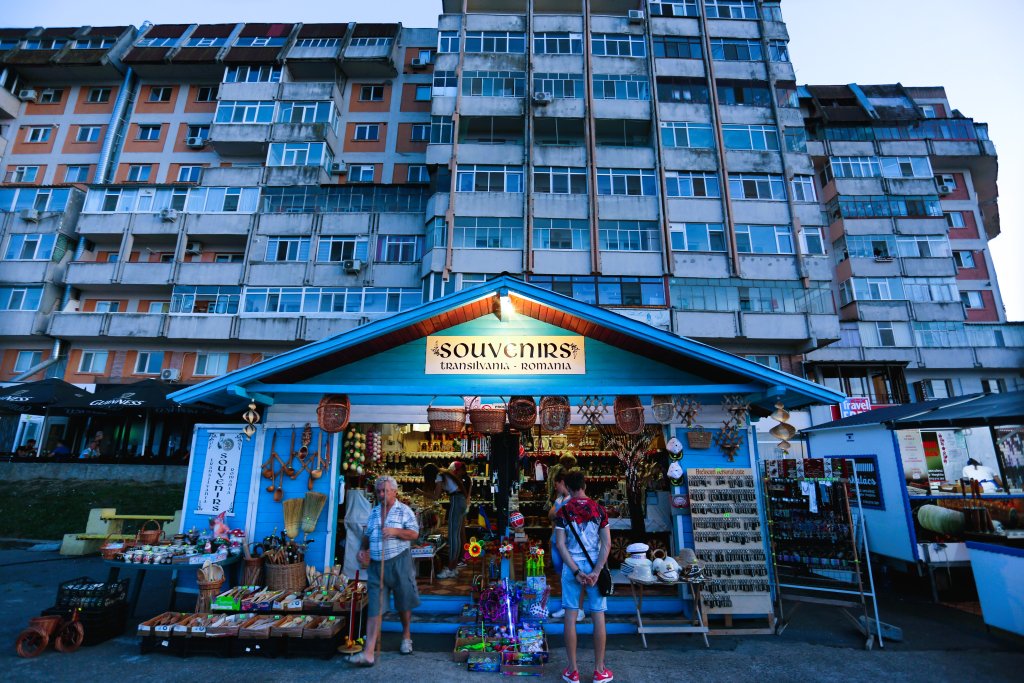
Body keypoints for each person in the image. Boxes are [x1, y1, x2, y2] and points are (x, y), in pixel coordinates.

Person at [348, 476, 421, 666]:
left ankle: (406, 637)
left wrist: (395, 532)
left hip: (399, 562)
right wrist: (363, 550)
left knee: (403, 602)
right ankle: (369, 652)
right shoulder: (373, 513)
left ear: (394, 492)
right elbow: (367, 535)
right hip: (376, 565)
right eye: (379, 491)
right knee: (374, 607)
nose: (382, 494)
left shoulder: (404, 511)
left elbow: (414, 534)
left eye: (386, 491)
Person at [555, 470, 613, 683]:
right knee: (598, 616)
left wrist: (576, 571)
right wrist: (596, 572)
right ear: (584, 486)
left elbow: (560, 545)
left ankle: (573, 670)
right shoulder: (599, 509)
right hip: (594, 569)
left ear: (568, 488)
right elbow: (606, 544)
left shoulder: (563, 511)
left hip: (572, 569)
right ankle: (599, 670)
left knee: (571, 617)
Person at [549, 469, 583, 622]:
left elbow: (557, 515)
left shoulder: (572, 499)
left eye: (556, 484)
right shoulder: (560, 499)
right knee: (564, 576)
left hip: (569, 543)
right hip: (557, 539)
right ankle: (566, 606)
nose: (556, 488)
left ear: (563, 483)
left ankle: (579, 608)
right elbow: (551, 515)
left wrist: (558, 512)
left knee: (576, 574)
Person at [437, 461, 472, 579]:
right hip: (462, 503)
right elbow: (468, 494)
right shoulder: (466, 479)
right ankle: (456, 564)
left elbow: (437, 495)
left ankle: (451, 568)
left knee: (453, 535)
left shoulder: (449, 477)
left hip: (457, 502)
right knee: (457, 535)